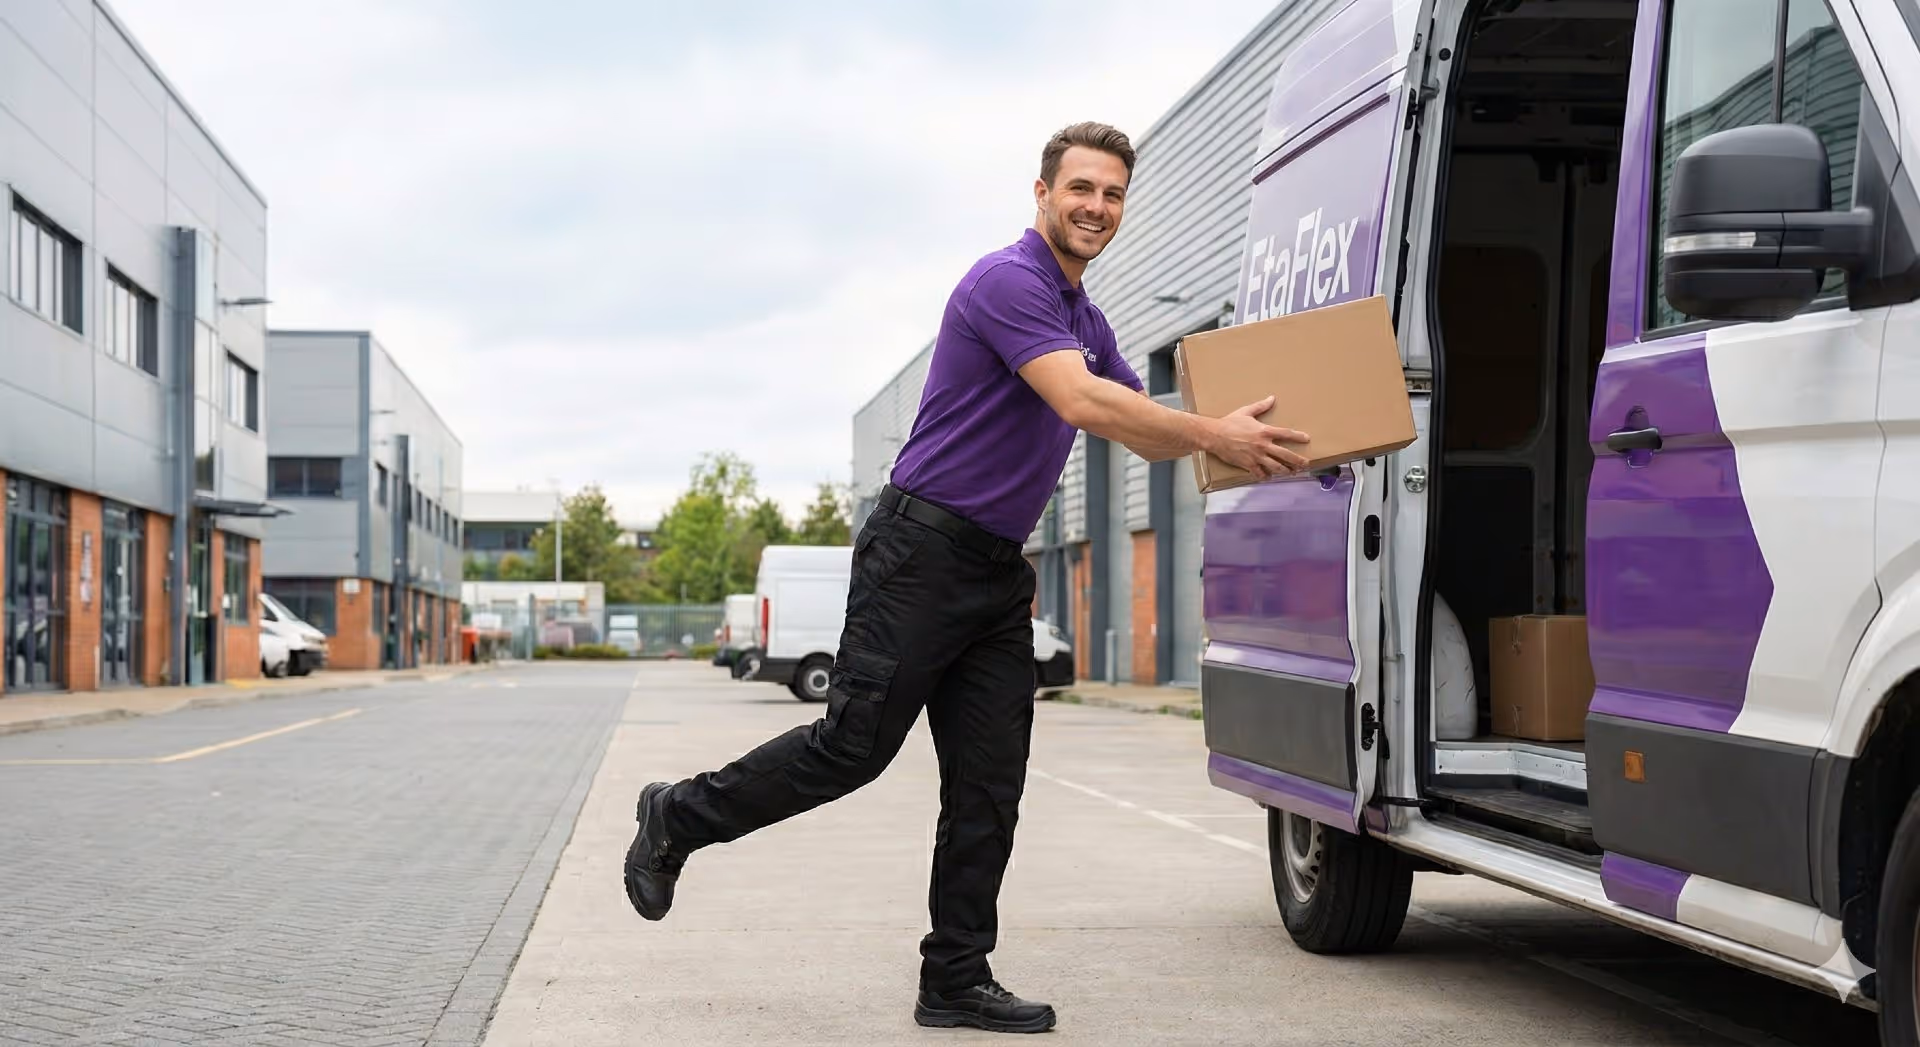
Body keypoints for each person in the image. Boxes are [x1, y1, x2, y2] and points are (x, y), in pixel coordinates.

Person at [624, 121, 1309, 1034]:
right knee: (851, 749)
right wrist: (1214, 432)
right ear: (1043, 192)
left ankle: (954, 975)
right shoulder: (1007, 281)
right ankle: (677, 815)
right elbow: (1081, 400)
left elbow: (1141, 425)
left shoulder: (1087, 321)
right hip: (919, 554)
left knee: (989, 781)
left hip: (994, 572)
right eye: (1081, 188)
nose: (1097, 207)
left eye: (1112, 194)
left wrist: (1263, 436)